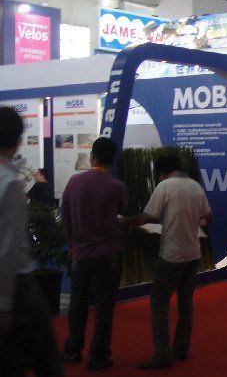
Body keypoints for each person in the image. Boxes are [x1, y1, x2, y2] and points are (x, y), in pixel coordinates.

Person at [122, 154, 213, 369]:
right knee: (185, 303)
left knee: (159, 302)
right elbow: (209, 217)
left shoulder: (164, 187)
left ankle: (162, 354)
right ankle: (181, 349)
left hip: (172, 254)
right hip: (193, 253)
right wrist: (193, 223)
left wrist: (124, 221)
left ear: (162, 173)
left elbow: (146, 217)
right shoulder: (195, 186)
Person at [0, 107, 62, 376]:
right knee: (47, 362)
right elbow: (7, 249)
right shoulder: (9, 182)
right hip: (17, 289)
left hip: (14, 289)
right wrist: (3, 305)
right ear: (17, 141)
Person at [61, 137, 127, 371]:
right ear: (112, 159)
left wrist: (72, 246)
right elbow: (120, 212)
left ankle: (73, 349)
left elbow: (65, 217)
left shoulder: (74, 182)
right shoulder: (117, 186)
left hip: (80, 253)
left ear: (92, 156)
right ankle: (98, 355)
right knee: (104, 307)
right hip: (109, 254)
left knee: (77, 303)